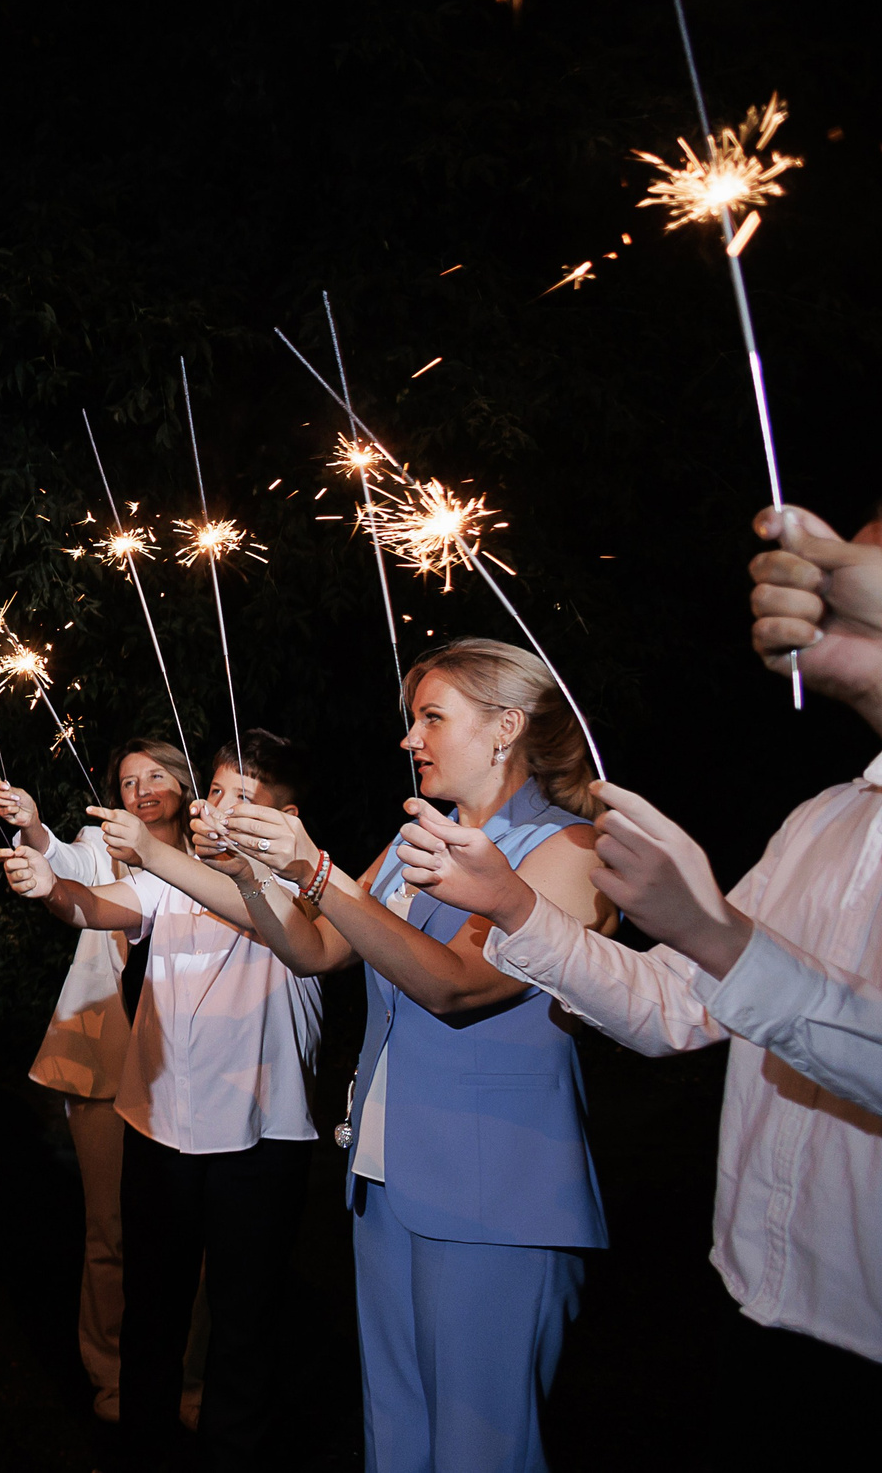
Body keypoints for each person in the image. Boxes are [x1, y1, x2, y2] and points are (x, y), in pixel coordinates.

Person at [448, 503, 882, 1451]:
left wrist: (717, 933)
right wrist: (516, 907)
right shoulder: (824, 819)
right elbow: (671, 1006)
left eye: (862, 570)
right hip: (756, 1308)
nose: (822, 582)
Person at [201, 641, 610, 1473]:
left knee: (480, 1449)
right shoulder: (417, 838)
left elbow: (457, 983)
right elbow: (315, 947)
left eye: (431, 716)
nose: (409, 737)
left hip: (496, 1194)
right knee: (395, 1435)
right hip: (387, 1180)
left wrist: (316, 870)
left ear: (505, 727)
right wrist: (253, 874)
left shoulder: (570, 849)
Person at [0, 730, 323, 1471]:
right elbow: (93, 902)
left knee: (243, 1325)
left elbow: (266, 917)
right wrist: (51, 889)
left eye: (243, 797)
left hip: (262, 1141)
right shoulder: (172, 879)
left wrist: (157, 854)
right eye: (218, 790)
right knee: (151, 1316)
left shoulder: (306, 889)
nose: (220, 807)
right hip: (159, 1132)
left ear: (286, 818)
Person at [0, 740, 188, 1425]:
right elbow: (63, 865)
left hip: (185, 1067)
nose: (141, 790)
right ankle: (110, 1375)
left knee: (187, 1236)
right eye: (128, 781)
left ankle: (190, 1382)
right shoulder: (102, 846)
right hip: (103, 1058)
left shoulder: (207, 855)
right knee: (110, 1229)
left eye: (156, 775)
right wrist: (32, 826)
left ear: (185, 784)